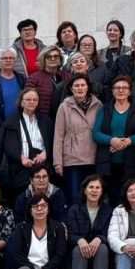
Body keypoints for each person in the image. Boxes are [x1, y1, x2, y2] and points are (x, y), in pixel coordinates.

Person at [0, 87, 53, 202]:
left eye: (35, 100)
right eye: (28, 99)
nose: (32, 102)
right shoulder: (11, 122)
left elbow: (52, 142)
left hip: (42, 168)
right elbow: (7, 145)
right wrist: (21, 158)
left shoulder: (46, 121)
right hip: (20, 169)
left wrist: (45, 153)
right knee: (22, 201)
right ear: (21, 102)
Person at [93, 75, 135, 202]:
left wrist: (129, 141)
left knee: (129, 199)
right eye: (117, 88)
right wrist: (112, 141)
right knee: (110, 199)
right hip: (108, 163)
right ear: (112, 91)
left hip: (131, 163)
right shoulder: (105, 109)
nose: (120, 90)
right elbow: (96, 133)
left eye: (124, 88)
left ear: (130, 91)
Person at [53, 75, 102, 204]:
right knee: (74, 198)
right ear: (71, 88)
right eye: (76, 86)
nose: (80, 88)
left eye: (83, 85)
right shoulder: (64, 107)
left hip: (93, 158)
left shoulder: (98, 105)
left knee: (91, 199)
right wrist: (57, 162)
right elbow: (58, 136)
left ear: (88, 87)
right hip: (72, 160)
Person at [25, 46, 66, 118]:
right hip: (43, 118)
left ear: (60, 59)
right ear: (43, 60)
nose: (53, 59)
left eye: (56, 56)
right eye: (49, 57)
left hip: (64, 117)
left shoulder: (66, 76)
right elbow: (28, 101)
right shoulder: (34, 78)